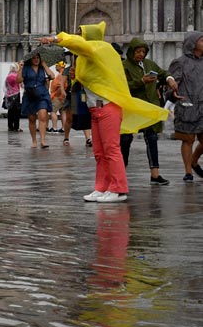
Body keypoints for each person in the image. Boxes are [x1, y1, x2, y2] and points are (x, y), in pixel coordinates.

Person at [40, 22, 168, 203]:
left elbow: (78, 44)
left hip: (108, 107)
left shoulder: (100, 49)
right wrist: (75, 76)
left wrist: (56, 39)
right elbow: (90, 79)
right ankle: (101, 187)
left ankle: (118, 189)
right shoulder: (88, 56)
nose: (80, 35)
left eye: (81, 33)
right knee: (100, 152)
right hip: (96, 109)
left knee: (111, 150)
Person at [120, 37, 176, 185]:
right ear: (131, 51)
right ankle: (121, 171)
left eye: (143, 52)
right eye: (138, 51)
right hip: (132, 108)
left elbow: (162, 73)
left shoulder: (149, 64)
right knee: (125, 139)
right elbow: (123, 86)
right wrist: (142, 81)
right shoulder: (124, 66)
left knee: (151, 138)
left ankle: (155, 174)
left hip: (149, 107)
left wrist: (170, 79)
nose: (141, 54)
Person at [169, 32, 203, 183]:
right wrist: (173, 93)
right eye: (202, 40)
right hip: (187, 105)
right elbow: (172, 82)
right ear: (192, 43)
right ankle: (188, 171)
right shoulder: (180, 62)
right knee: (188, 139)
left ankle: (194, 161)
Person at [21, 53, 52, 148]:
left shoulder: (42, 68)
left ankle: (43, 140)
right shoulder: (26, 68)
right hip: (30, 95)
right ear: (30, 59)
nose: (36, 60)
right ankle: (34, 140)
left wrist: (44, 64)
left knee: (43, 115)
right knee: (32, 119)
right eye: (34, 58)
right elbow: (18, 80)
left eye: (38, 57)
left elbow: (52, 76)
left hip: (42, 95)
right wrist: (20, 68)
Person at [67, 64, 93, 147]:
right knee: (69, 118)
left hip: (80, 96)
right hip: (70, 97)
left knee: (85, 115)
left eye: (73, 71)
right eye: (70, 71)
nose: (71, 72)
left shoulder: (83, 70)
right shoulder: (66, 71)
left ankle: (88, 138)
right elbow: (62, 83)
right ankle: (66, 137)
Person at [49, 62, 68, 133]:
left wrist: (57, 94)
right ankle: (63, 128)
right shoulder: (63, 74)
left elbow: (61, 86)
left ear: (60, 66)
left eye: (57, 65)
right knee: (63, 112)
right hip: (62, 96)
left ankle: (54, 128)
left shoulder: (61, 75)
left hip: (57, 96)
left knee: (52, 111)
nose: (55, 67)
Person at [3, 63, 22, 132]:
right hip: (16, 95)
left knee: (10, 111)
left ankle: (10, 126)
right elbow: (22, 84)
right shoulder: (17, 76)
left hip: (8, 95)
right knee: (17, 112)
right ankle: (16, 127)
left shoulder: (8, 76)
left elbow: (5, 86)